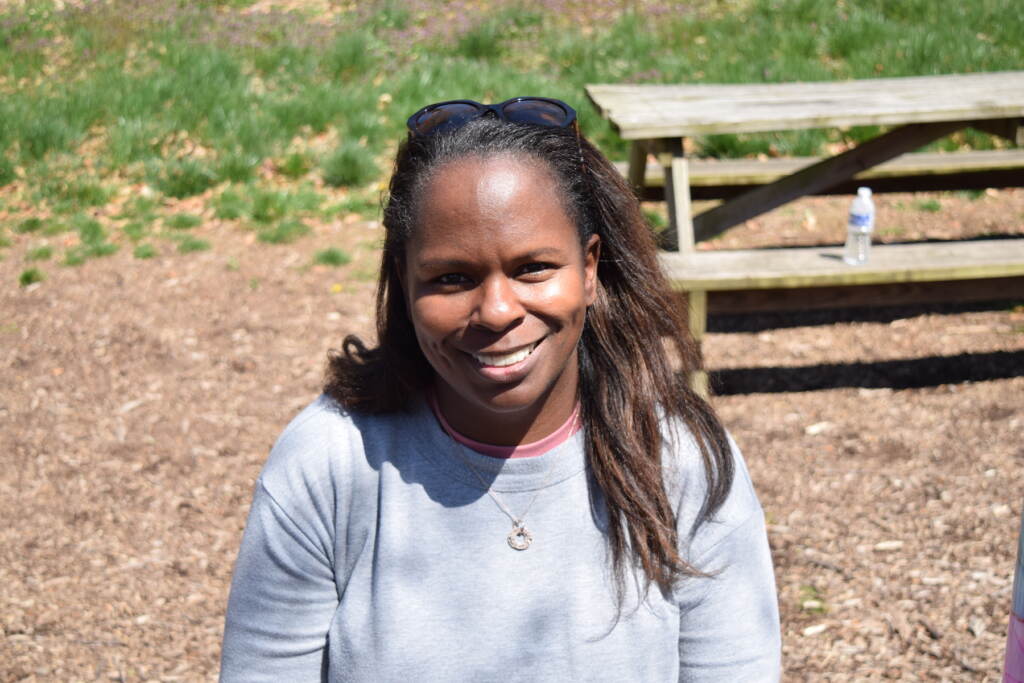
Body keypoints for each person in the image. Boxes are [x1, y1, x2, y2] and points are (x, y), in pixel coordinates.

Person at [220, 97, 781, 681]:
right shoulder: (329, 464)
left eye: (533, 268)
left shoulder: (680, 458)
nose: (495, 311)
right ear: (405, 282)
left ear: (589, 269)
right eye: (452, 278)